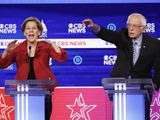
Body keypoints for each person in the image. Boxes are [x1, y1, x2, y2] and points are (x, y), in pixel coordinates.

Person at [83, 13, 160, 120]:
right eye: (129, 25)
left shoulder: (154, 44)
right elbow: (109, 35)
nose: (131, 29)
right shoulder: (123, 36)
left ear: (143, 28)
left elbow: (159, 68)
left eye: (134, 26)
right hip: (120, 86)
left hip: (142, 89)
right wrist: (95, 27)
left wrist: (154, 84)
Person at [0, 17, 68, 120]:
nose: (31, 30)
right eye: (27, 28)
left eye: (34, 28)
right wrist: (6, 51)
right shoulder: (18, 49)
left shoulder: (45, 47)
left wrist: (53, 44)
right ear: (24, 32)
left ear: (39, 32)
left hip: (44, 90)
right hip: (23, 92)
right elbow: (2, 64)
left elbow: (61, 58)